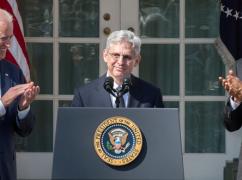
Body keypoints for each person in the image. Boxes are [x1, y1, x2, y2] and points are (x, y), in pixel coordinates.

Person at [72, 30, 164, 108]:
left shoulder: (152, 94)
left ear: (136, 60)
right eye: (115, 55)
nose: (120, 62)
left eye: (127, 57)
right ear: (105, 56)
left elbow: (160, 128)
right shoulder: (84, 95)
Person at [0, 8, 40, 180]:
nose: (8, 45)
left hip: (4, 167)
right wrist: (2, 103)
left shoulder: (13, 71)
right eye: (3, 38)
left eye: (10, 38)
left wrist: (24, 108)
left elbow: (24, 131)